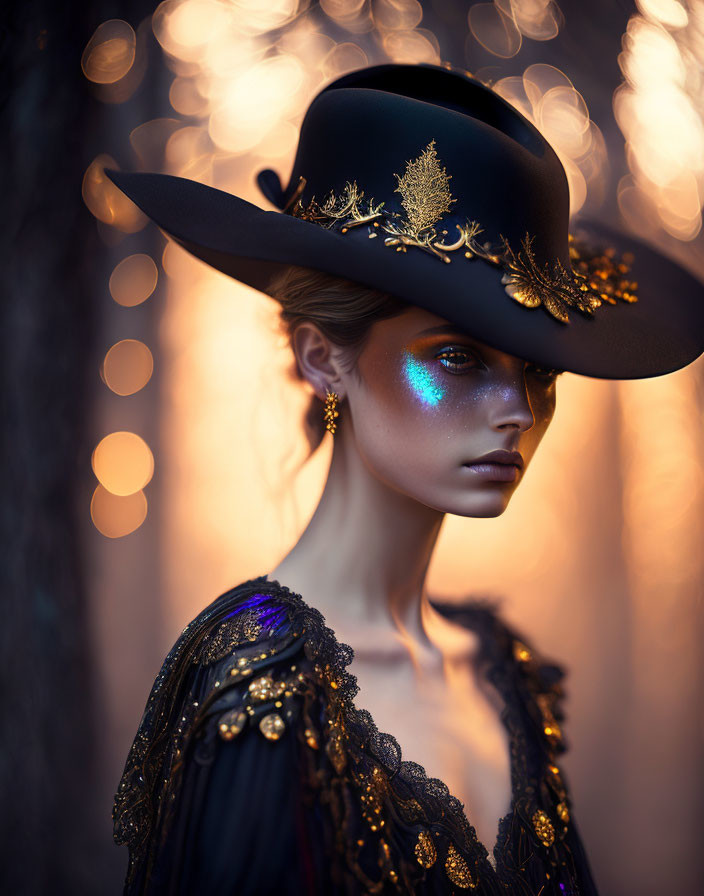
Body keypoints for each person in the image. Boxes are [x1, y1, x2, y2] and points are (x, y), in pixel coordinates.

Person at [107, 63, 704, 895]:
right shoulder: (257, 691)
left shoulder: (500, 670)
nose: (519, 410)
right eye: (458, 357)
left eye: (539, 372)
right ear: (324, 358)